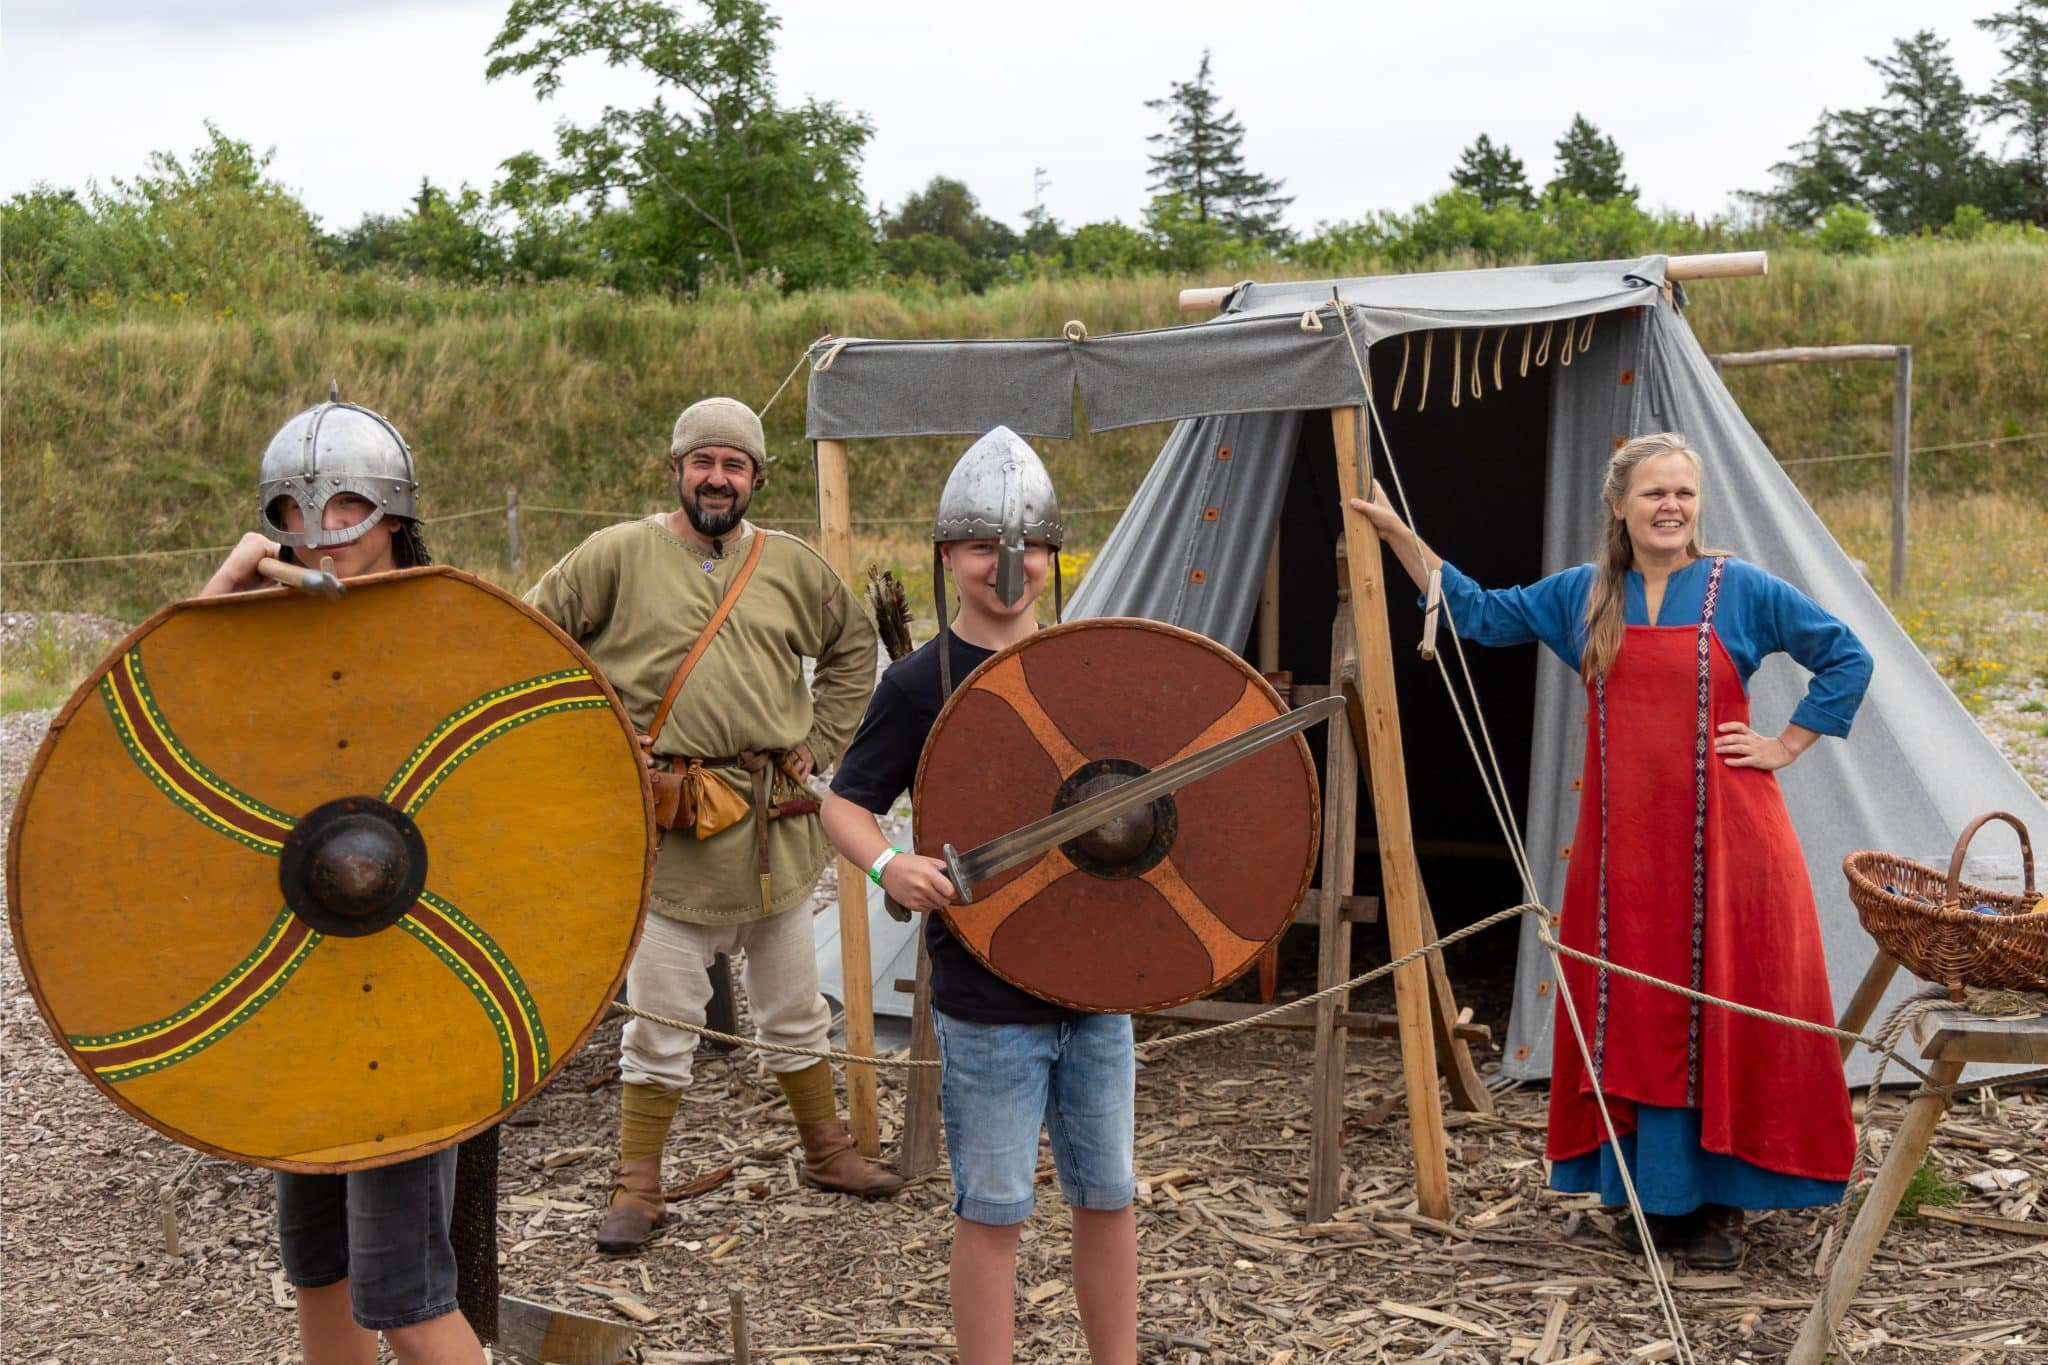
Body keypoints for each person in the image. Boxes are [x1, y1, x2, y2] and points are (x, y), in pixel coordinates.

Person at [1349, 431, 1872, 1269]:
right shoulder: (1585, 595)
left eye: (1685, 494)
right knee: (1635, 1009)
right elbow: (1478, 611)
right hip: (1625, 854)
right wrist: (1397, 535)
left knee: (1722, 1001)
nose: (1672, 507)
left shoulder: (1741, 589)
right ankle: (1650, 1193)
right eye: (1655, 493)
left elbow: (1846, 655)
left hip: (1732, 845)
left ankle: (1720, 1209)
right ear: (1620, 504)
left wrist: (1788, 742)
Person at [524, 396, 896, 1256]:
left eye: (735, 465)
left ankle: (826, 1150)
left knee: (796, 1009)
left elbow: (851, 648)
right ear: (677, 469)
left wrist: (822, 738)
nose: (717, 478)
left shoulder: (792, 566)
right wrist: (601, 738)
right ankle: (638, 1184)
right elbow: (531, 641)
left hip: (773, 825)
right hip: (665, 830)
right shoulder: (615, 554)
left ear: (757, 477)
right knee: (661, 1021)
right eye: (704, 462)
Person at [821, 427, 1138, 1365]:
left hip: (1095, 981)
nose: (1011, 565)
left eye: (1031, 546)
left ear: (1054, 553)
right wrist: (890, 866)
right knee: (995, 1206)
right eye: (982, 547)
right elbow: (845, 803)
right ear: (946, 557)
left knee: (1109, 1192)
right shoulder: (919, 684)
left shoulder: (1089, 664)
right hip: (988, 994)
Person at [203, 394, 484, 1365]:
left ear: (396, 515)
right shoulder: (266, 631)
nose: (318, 536)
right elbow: (167, 746)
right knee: (316, 1265)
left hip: (415, 991)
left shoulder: (450, 632)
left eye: (345, 508)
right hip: (305, 980)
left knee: (403, 1294)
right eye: (292, 512)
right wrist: (224, 599)